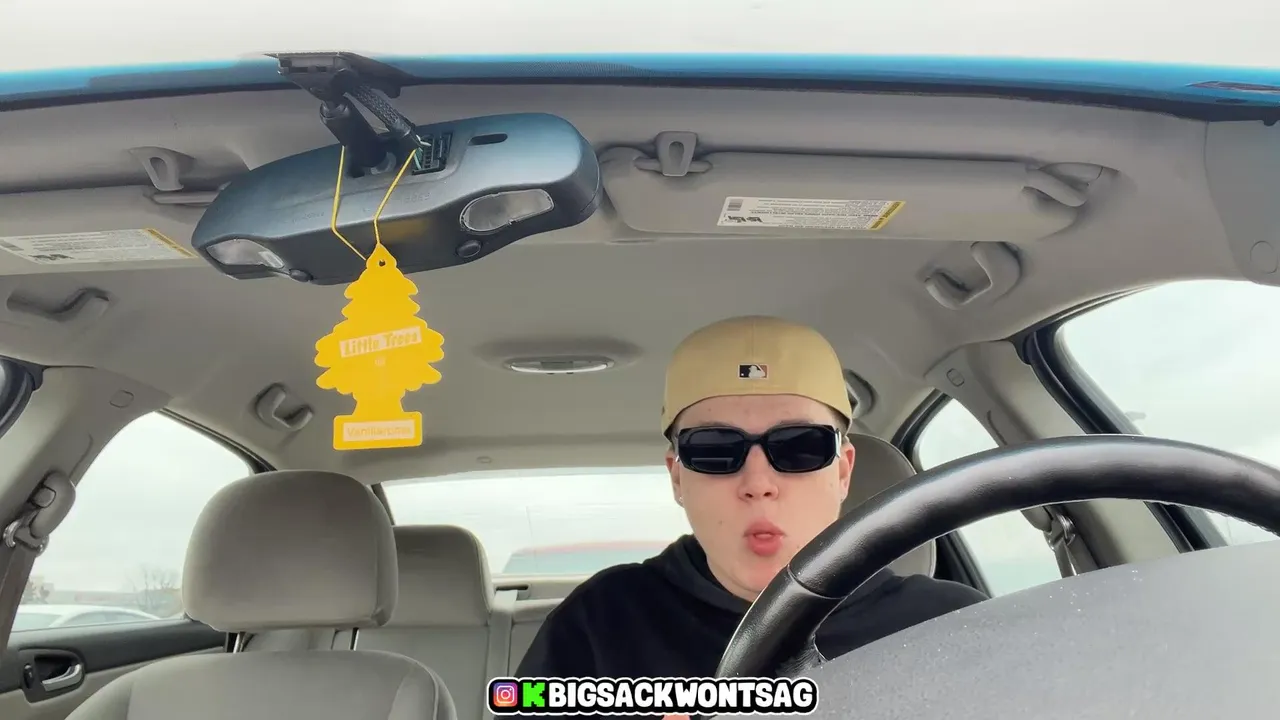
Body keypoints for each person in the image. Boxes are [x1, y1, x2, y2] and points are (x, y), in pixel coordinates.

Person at [516, 315, 988, 680]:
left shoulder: (952, 624)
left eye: (800, 447)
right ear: (677, 477)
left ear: (843, 471)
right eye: (714, 450)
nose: (758, 482)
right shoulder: (600, 624)